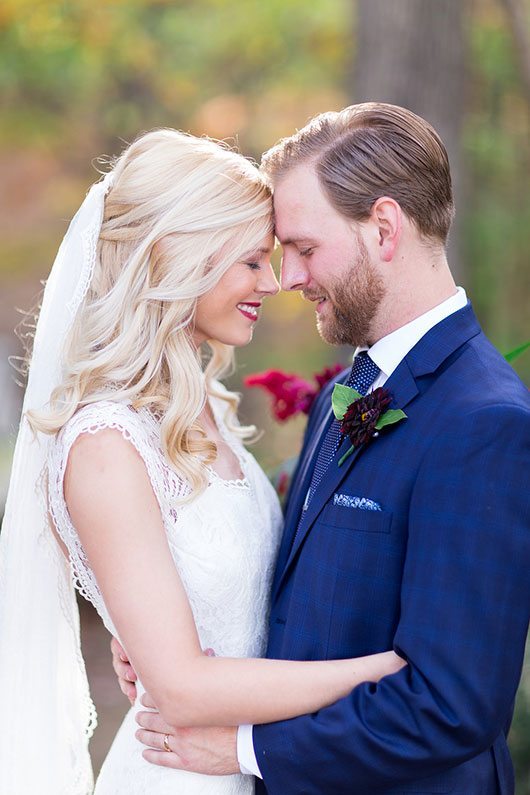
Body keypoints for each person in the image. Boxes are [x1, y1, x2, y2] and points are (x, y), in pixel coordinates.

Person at [124, 105, 530, 794]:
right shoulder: (343, 393)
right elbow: (301, 605)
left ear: (384, 227)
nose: (288, 277)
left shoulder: (485, 422)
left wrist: (245, 748)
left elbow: (451, 706)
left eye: (306, 249)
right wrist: (169, 646)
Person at [0, 128, 406, 795]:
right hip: (177, 775)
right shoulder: (106, 445)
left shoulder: (205, 405)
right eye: (250, 261)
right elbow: (183, 687)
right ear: (177, 259)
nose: (273, 281)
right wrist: (382, 672)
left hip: (246, 762)